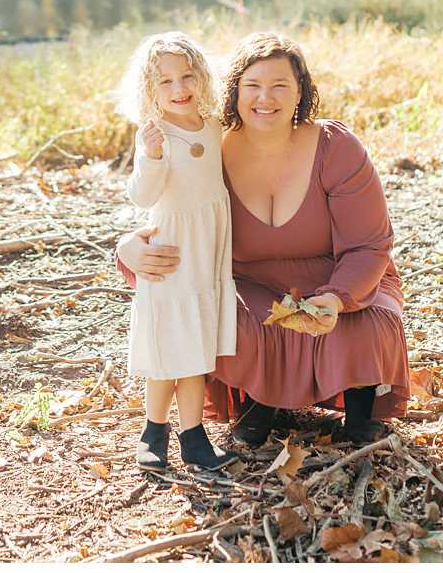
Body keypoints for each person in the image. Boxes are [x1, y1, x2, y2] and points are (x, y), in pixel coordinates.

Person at [116, 31, 411, 447]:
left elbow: (369, 244)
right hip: (250, 284)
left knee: (365, 321)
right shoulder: (211, 145)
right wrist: (129, 245)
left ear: (300, 93)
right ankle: (259, 406)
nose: (264, 98)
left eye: (280, 87)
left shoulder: (335, 146)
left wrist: (336, 297)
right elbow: (176, 213)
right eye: (252, 86)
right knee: (226, 318)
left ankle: (360, 415)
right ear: (234, 92)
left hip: (341, 276)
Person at [114, 32, 237, 472]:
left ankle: (193, 436)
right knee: (168, 347)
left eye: (186, 77)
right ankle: (153, 431)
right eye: (165, 82)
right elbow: (142, 194)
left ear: (201, 77)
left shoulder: (212, 124)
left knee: (196, 349)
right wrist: (151, 155)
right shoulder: (155, 134)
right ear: (149, 90)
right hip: (172, 252)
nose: (179, 89)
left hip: (209, 249)